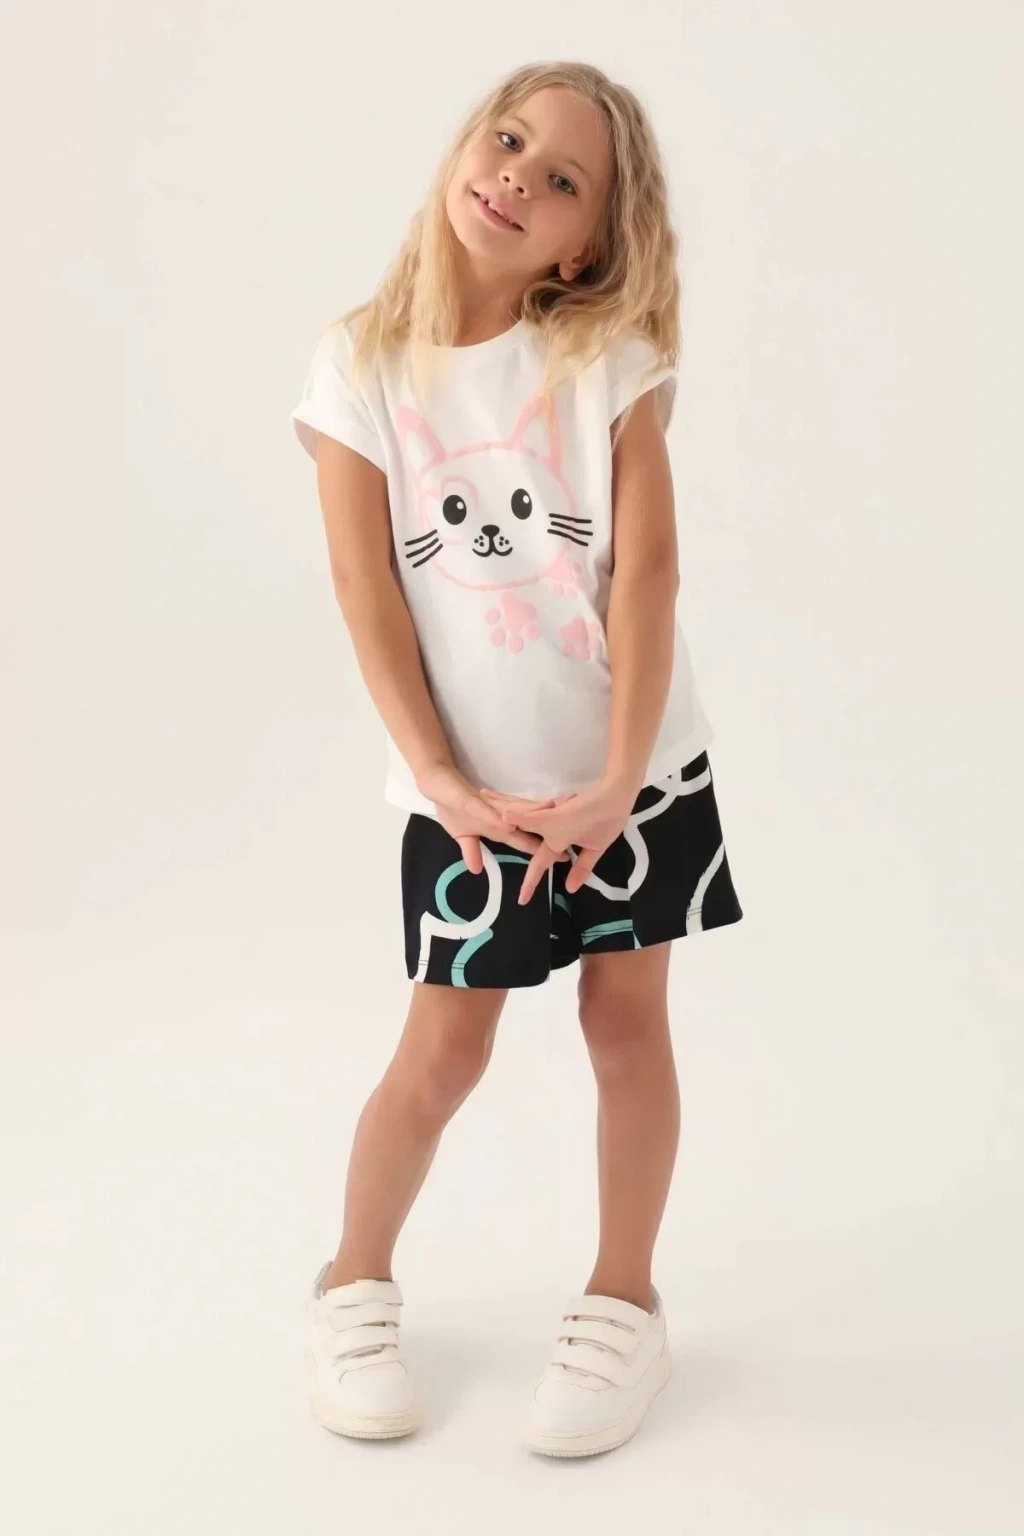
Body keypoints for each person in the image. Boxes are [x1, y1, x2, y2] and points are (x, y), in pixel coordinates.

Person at [289, 60, 743, 1459]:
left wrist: (618, 781)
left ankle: (625, 1299)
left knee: (627, 1028)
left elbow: (648, 576)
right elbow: (365, 589)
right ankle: (351, 1279)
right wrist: (438, 779)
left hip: (634, 774)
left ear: (585, 245)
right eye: (508, 141)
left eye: (562, 181)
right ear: (462, 148)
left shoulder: (607, 362)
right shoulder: (359, 366)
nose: (517, 179)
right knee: (443, 1048)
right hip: (466, 793)